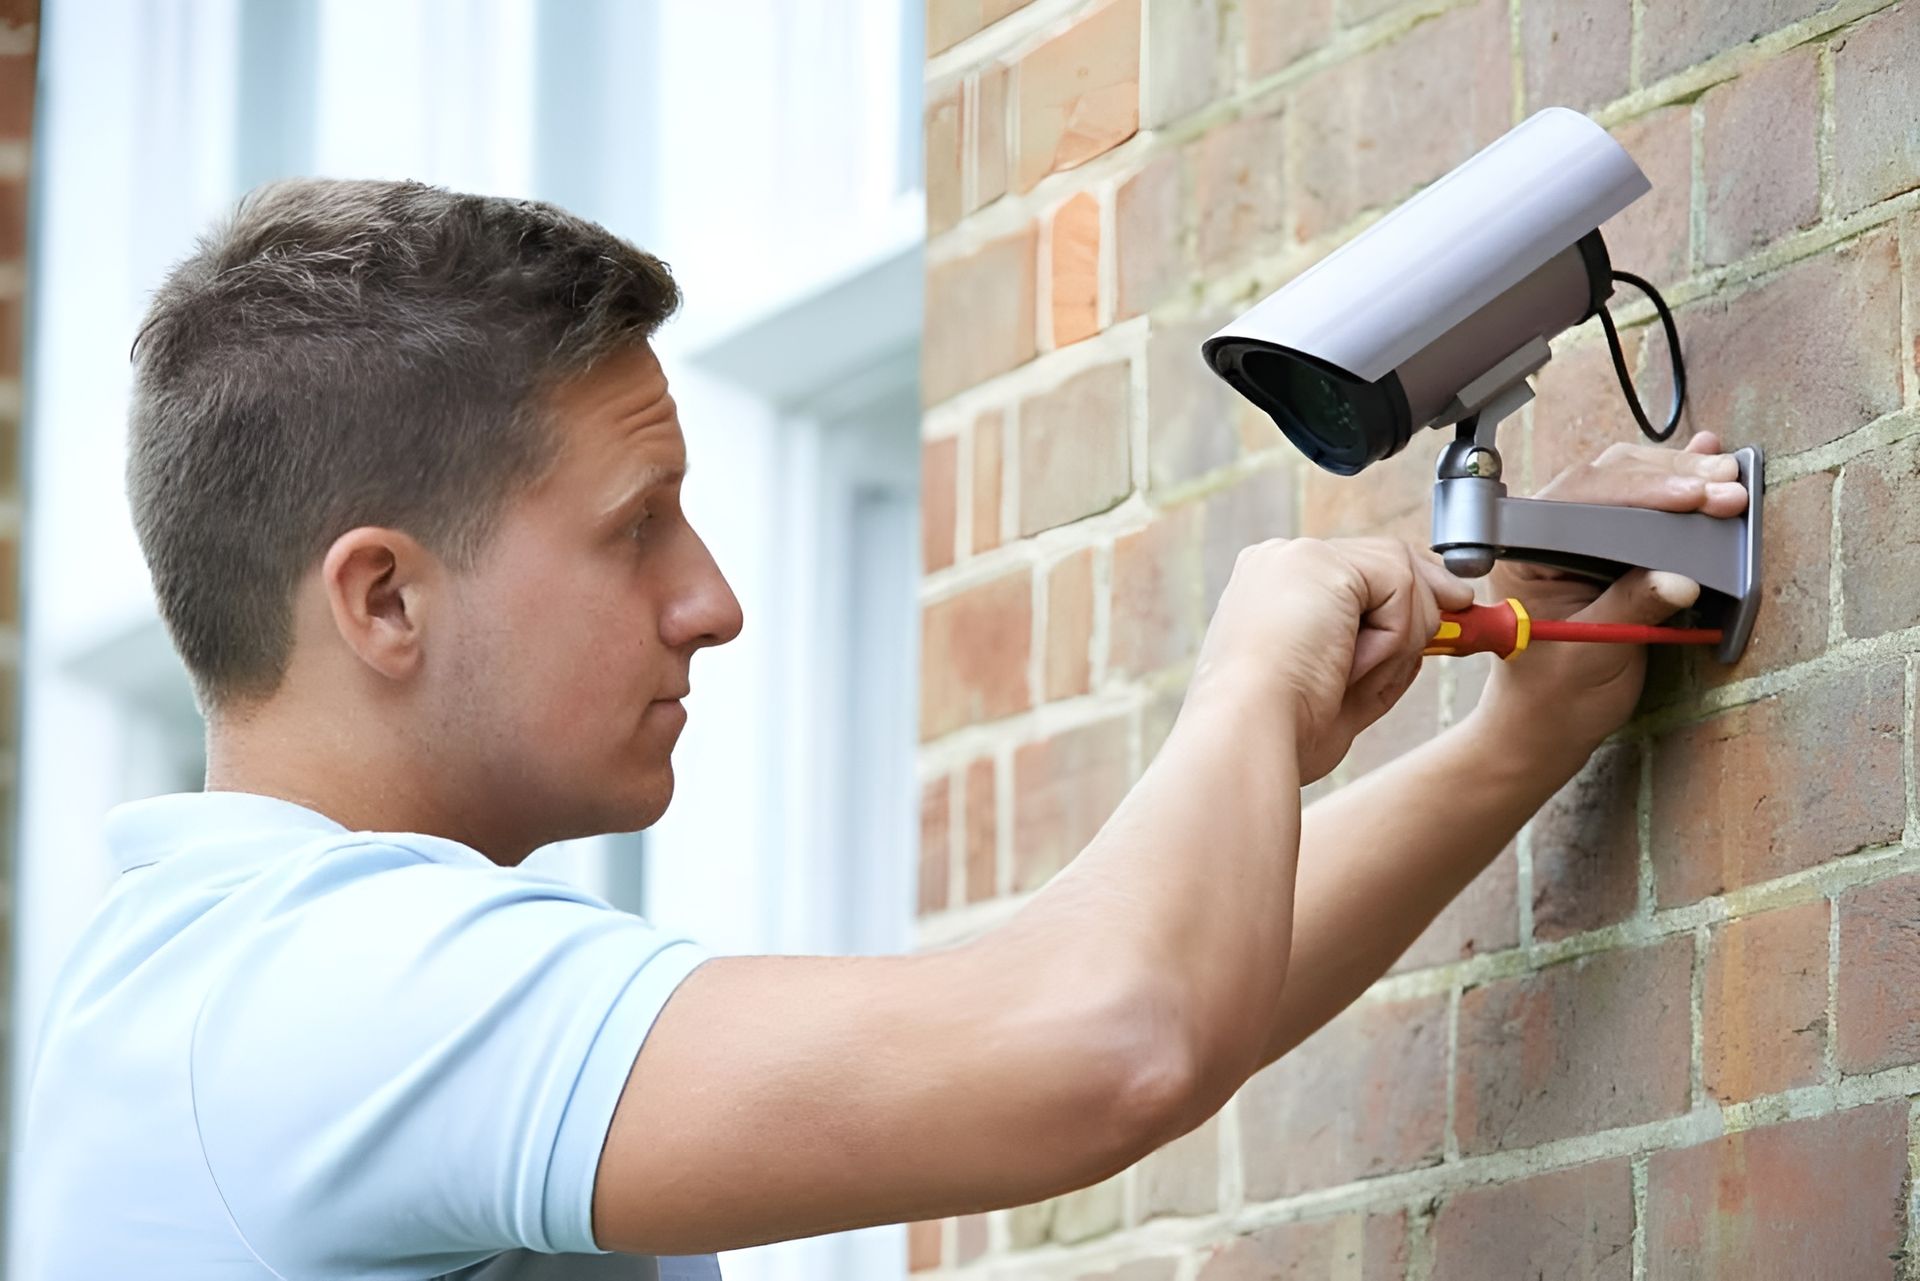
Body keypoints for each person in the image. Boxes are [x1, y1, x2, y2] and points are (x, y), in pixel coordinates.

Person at [16, 179, 1748, 1280]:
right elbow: (1103, 1044)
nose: (713, 600)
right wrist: (1248, 680)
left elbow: (1139, 1006)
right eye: (639, 526)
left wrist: (1518, 735)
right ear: (384, 601)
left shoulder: (218, 982)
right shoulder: (320, 992)